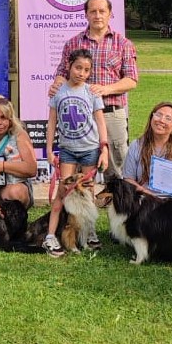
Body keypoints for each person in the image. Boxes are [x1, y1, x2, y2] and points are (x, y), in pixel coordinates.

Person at [49, 0, 138, 179]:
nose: (98, 15)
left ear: (110, 14)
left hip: (110, 113)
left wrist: (106, 89)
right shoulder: (73, 43)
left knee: (116, 172)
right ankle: (76, 207)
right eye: (93, 11)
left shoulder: (123, 44)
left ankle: (118, 207)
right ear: (86, 14)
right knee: (76, 178)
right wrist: (56, 84)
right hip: (78, 117)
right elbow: (61, 73)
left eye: (102, 11)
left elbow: (131, 80)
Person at [42, 49, 108, 257]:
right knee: (63, 193)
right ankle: (51, 236)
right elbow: (52, 122)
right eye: (78, 67)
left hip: (90, 150)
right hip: (68, 151)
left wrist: (104, 148)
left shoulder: (91, 93)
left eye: (86, 70)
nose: (81, 73)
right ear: (69, 66)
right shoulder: (59, 92)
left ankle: (89, 232)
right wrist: (49, 149)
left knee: (88, 194)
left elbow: (100, 121)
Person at [122, 101, 172, 198]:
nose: (161, 120)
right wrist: (147, 194)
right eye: (158, 115)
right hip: (145, 201)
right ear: (151, 118)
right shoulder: (136, 146)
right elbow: (128, 179)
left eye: (168, 118)